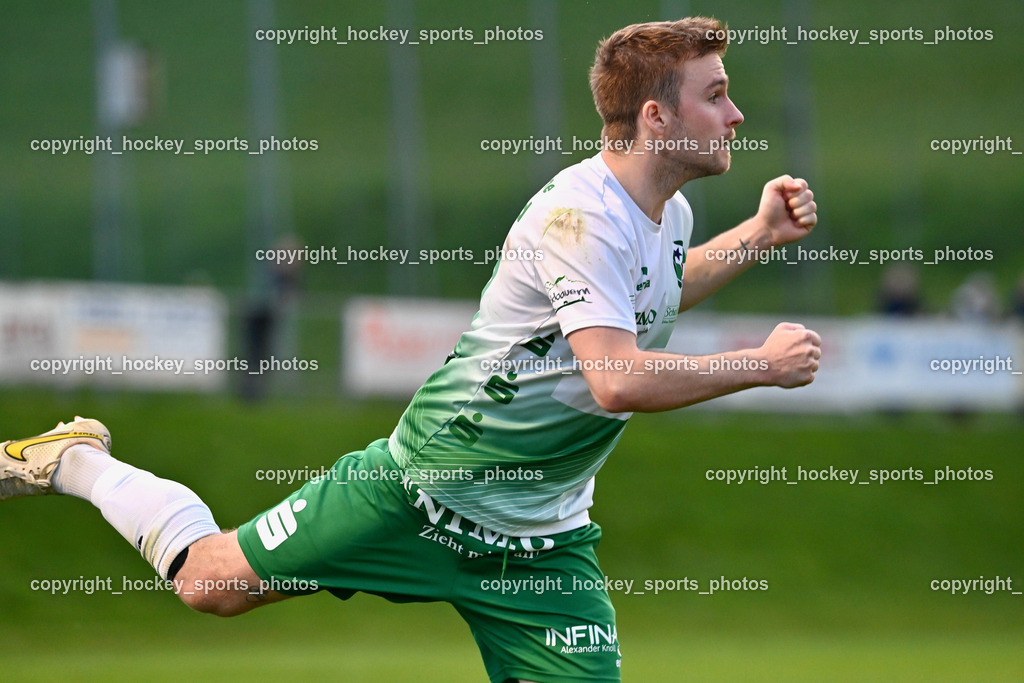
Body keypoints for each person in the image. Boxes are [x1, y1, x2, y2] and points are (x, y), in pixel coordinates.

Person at [1, 17, 819, 682]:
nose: (736, 114)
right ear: (656, 117)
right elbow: (615, 378)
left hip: (542, 546)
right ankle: (75, 459)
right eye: (716, 95)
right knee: (211, 583)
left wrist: (756, 234)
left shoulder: (664, 215)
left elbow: (660, 289)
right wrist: (762, 364)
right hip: (419, 492)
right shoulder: (578, 216)